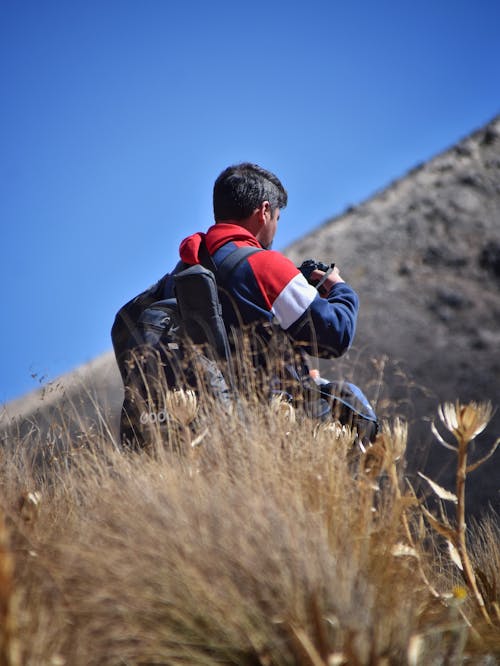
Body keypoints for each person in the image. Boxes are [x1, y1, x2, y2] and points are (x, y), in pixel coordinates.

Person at [114, 162, 376, 447]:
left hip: (199, 426)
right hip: (269, 425)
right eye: (277, 217)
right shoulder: (265, 265)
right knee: (350, 401)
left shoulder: (180, 273)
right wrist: (339, 288)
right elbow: (335, 335)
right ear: (264, 212)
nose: (276, 227)